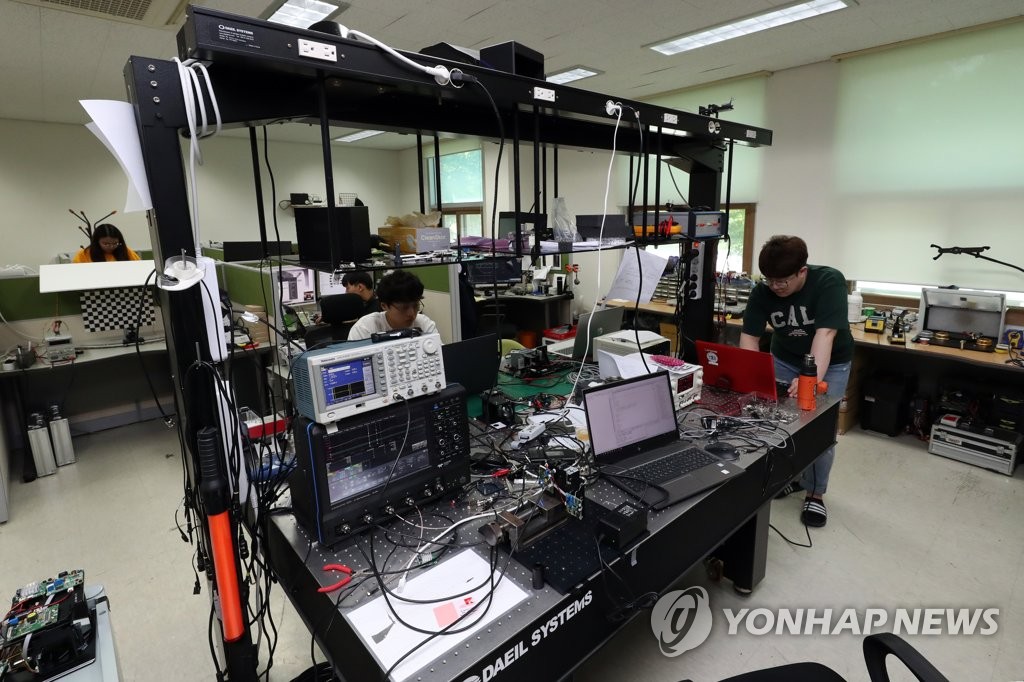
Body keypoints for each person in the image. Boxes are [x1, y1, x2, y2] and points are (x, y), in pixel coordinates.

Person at [739, 235, 853, 528]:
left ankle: (815, 493)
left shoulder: (829, 281)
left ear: (802, 271)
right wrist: (752, 376)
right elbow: (749, 337)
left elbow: (825, 334)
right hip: (785, 357)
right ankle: (794, 477)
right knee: (779, 422)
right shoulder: (763, 291)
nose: (775, 287)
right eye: (769, 280)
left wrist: (809, 380)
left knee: (818, 427)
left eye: (782, 281)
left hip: (831, 361)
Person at [347, 270, 438, 340]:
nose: (412, 313)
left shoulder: (424, 324)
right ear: (384, 306)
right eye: (404, 307)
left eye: (415, 305)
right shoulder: (364, 329)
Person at [72, 224, 141, 263]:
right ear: (96, 242)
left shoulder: (126, 251)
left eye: (115, 243)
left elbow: (138, 268)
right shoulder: (83, 254)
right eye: (106, 244)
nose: (111, 246)